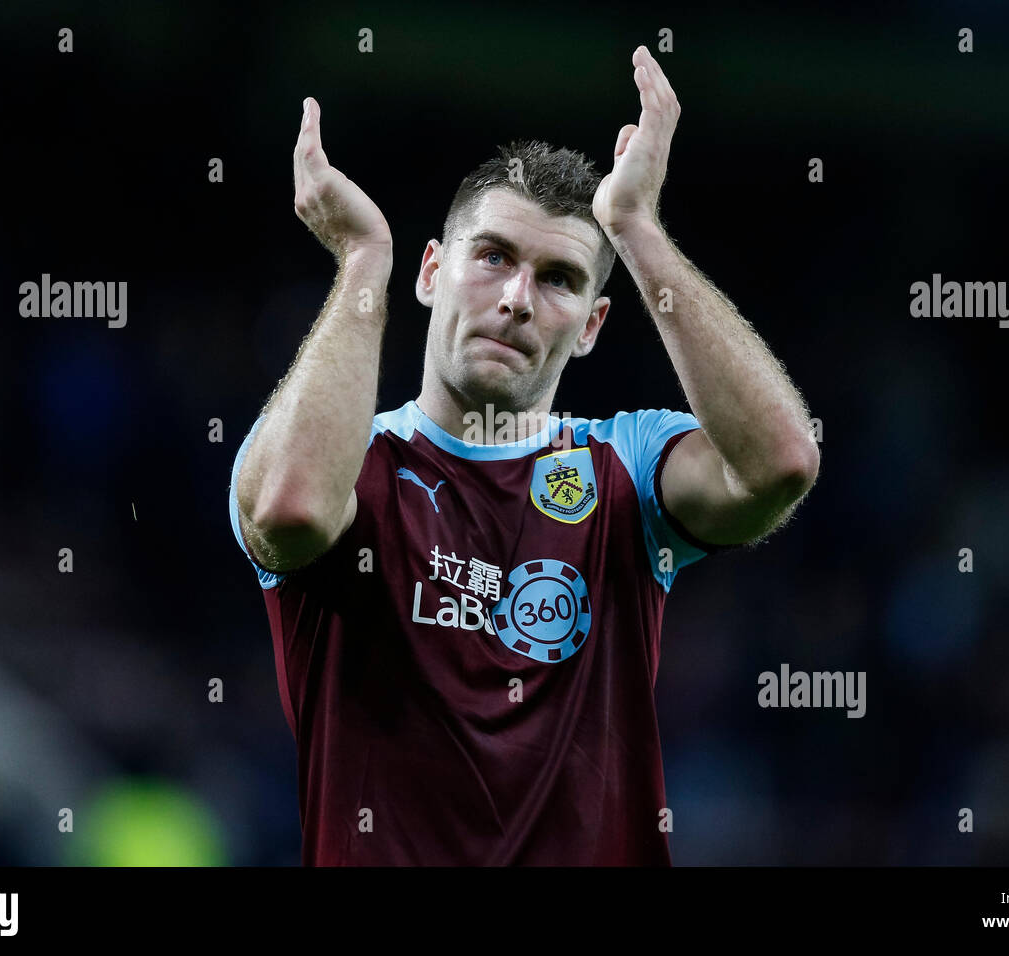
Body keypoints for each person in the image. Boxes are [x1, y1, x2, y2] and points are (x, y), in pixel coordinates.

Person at [230, 46, 819, 865]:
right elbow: (289, 514)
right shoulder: (342, 458)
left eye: (559, 278)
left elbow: (780, 464)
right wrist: (363, 261)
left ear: (591, 326)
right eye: (494, 256)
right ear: (432, 272)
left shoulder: (624, 466)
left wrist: (637, 231)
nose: (515, 298)